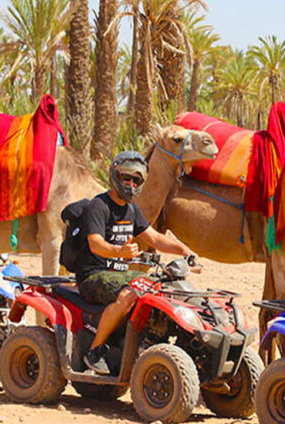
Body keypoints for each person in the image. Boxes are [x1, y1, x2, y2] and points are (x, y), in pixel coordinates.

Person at [78, 151, 196, 374]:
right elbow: (95, 244)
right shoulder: (98, 206)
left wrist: (184, 250)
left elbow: (155, 238)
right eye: (126, 178)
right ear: (115, 175)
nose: (131, 184)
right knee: (128, 294)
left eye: (137, 180)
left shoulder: (131, 209)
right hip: (93, 274)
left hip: (120, 273)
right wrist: (118, 251)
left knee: (160, 287)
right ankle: (94, 352)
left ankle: (147, 342)